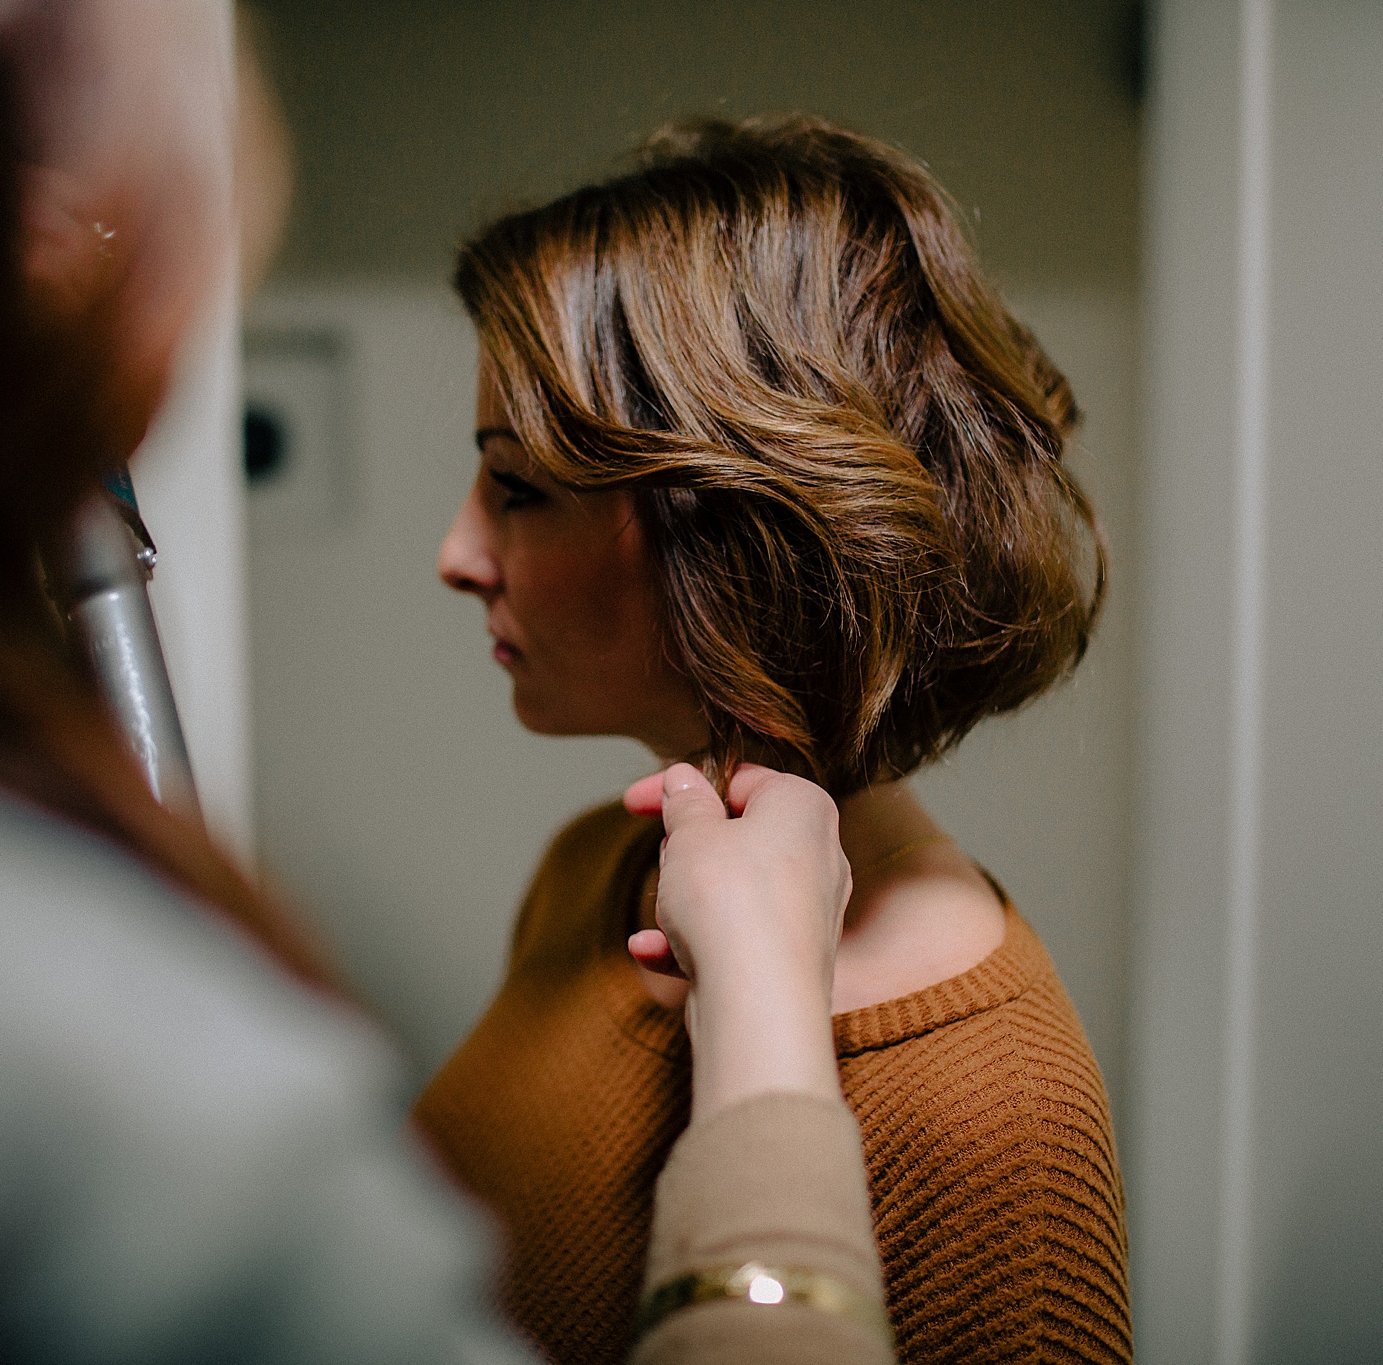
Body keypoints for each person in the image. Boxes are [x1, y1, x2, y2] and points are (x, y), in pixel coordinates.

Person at [0, 5, 894, 1361]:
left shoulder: (968, 1090)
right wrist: (765, 1021)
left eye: (515, 487)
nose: (452, 557)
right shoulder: (143, 1115)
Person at [418, 116, 1131, 1363]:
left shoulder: (991, 1109)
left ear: (738, 536)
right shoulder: (595, 871)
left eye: (517, 487)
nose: (457, 556)